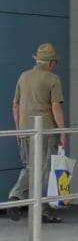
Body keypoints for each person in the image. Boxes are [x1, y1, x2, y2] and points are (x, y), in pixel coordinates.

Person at [8, 43, 66, 223]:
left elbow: (15, 106)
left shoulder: (23, 77)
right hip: (46, 131)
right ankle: (21, 198)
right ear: (50, 63)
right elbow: (55, 107)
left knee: (30, 166)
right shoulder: (52, 79)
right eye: (54, 62)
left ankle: (26, 202)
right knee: (44, 170)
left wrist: (19, 130)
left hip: (26, 129)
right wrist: (63, 131)